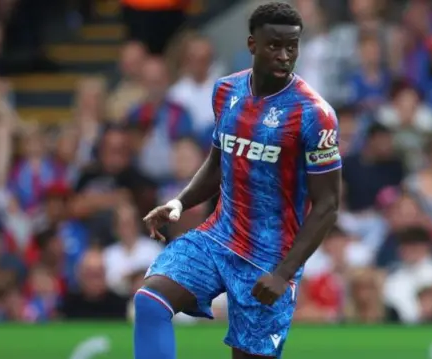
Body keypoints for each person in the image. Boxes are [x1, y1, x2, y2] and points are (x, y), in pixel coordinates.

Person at [134, 2, 342, 359]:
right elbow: (219, 162)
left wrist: (284, 273)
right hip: (218, 236)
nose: (284, 55)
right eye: (274, 45)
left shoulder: (313, 114)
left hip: (269, 260)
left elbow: (327, 205)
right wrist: (179, 203)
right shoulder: (226, 91)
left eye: (291, 46)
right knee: (150, 301)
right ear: (251, 44)